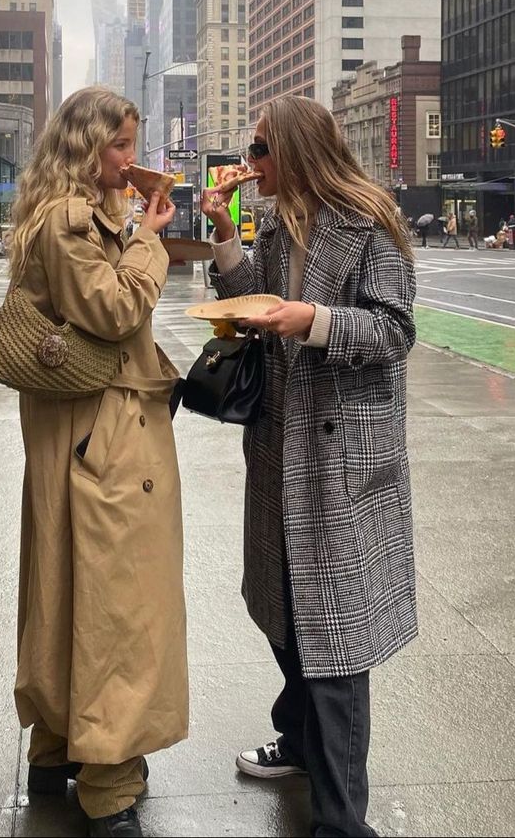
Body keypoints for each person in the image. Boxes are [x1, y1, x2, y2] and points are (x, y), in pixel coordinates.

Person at [202, 95, 417, 838]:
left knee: (335, 641)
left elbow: (395, 329)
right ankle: (297, 743)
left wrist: (312, 321)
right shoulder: (277, 221)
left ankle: (341, 822)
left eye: (259, 149)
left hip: (339, 460)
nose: (248, 161)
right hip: (280, 446)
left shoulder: (370, 222)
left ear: (293, 151)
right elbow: (249, 302)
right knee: (285, 615)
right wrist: (225, 236)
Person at [8, 87, 188, 838]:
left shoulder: (62, 216)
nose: (130, 158)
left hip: (77, 433)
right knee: (119, 607)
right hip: (106, 436)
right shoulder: (71, 221)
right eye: (119, 145)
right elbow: (115, 310)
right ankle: (109, 780)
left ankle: (53, 750)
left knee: (63, 587)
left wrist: (142, 221)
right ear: (86, 147)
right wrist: (151, 235)